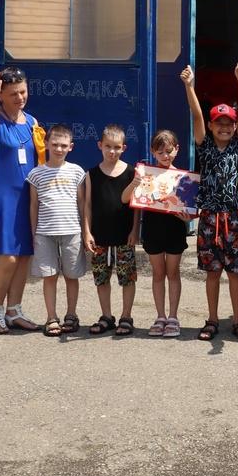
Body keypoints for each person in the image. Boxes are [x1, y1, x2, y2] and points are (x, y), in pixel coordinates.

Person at [182, 62, 238, 342]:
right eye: (219, 123)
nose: (224, 127)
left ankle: (237, 319)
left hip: (235, 218)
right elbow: (196, 115)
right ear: (211, 126)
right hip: (210, 218)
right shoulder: (205, 145)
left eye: (229, 124)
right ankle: (212, 319)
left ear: (235, 127)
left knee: (235, 273)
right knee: (212, 273)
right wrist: (190, 86)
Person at [0, 67, 43, 333]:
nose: (20, 97)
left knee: (24, 256)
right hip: (0, 197)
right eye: (13, 93)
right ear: (2, 94)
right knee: (9, 258)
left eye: (23, 91)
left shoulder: (31, 122)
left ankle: (14, 310)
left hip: (26, 197)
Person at [122, 130, 190, 339]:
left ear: (176, 149)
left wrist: (188, 218)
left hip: (175, 229)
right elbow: (126, 200)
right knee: (158, 274)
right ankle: (160, 316)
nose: (165, 155)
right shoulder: (145, 174)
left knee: (173, 273)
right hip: (152, 229)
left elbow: (189, 208)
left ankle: (173, 317)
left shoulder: (184, 178)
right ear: (152, 152)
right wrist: (134, 184)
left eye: (169, 151)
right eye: (160, 152)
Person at [25, 124, 88, 337]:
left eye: (63, 145)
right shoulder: (36, 174)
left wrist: (86, 231)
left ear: (71, 146)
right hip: (44, 233)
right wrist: (34, 234)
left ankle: (72, 314)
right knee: (49, 276)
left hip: (72, 231)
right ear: (46, 144)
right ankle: (51, 317)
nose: (58, 149)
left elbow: (82, 203)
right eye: (54, 145)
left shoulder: (77, 171)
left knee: (72, 276)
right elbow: (34, 205)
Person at [83, 124, 141, 336]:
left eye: (116, 147)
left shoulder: (131, 173)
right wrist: (87, 232)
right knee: (101, 277)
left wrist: (135, 230)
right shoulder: (91, 174)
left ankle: (126, 316)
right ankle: (106, 316)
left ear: (123, 148)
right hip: (99, 236)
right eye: (108, 146)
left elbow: (136, 207)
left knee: (128, 277)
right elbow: (87, 205)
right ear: (100, 145)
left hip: (124, 235)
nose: (112, 151)